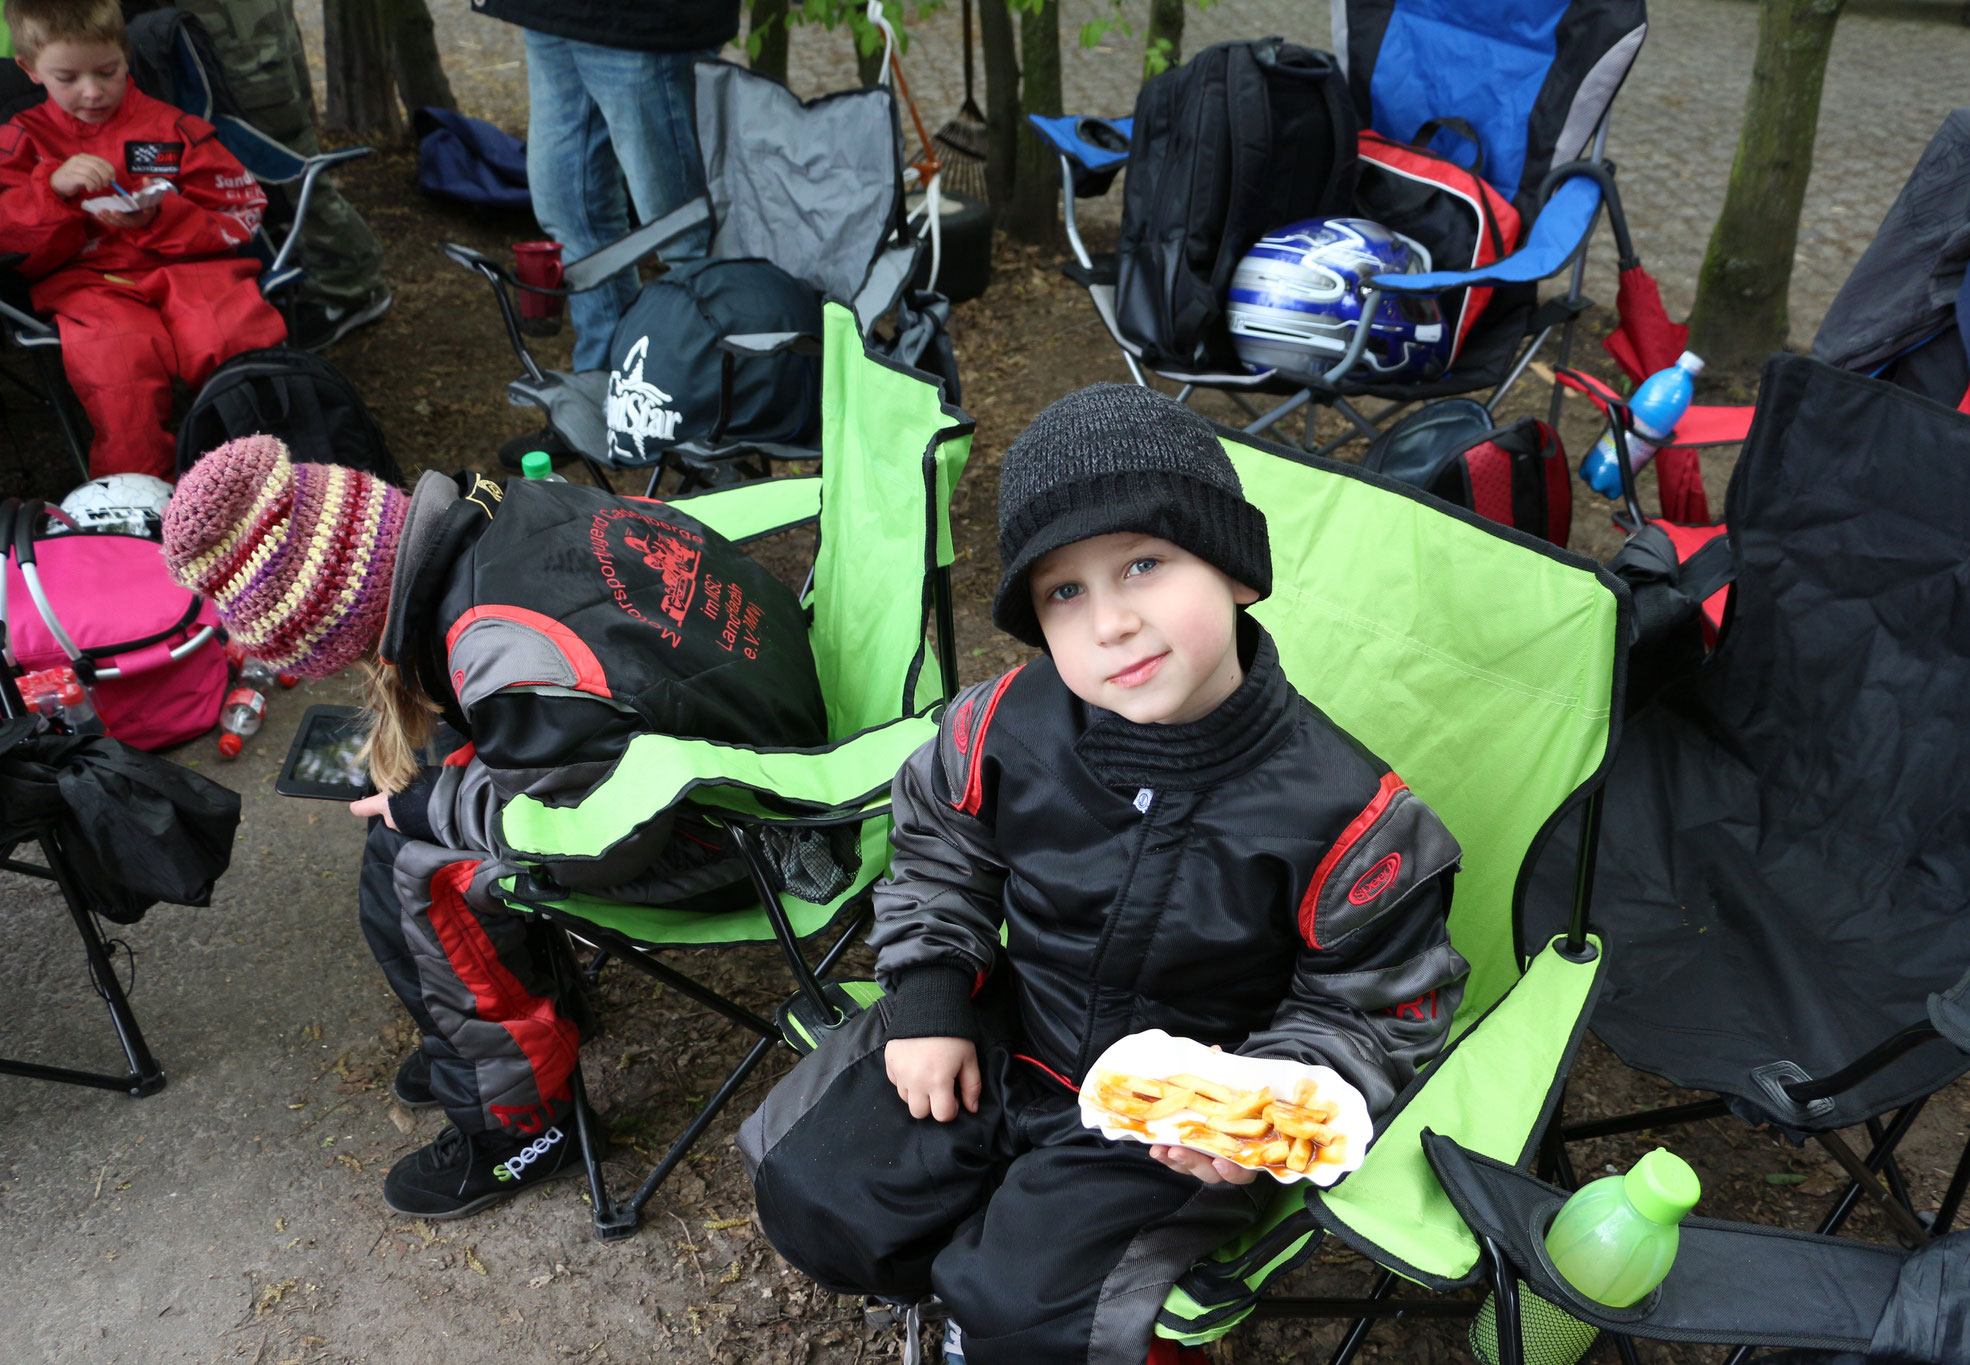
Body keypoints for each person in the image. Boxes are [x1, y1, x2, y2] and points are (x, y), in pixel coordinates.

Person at [740, 384, 1472, 1363]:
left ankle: (991, 1317)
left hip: (1176, 1103)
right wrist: (925, 998)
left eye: (1142, 563)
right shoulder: (1001, 721)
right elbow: (936, 844)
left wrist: (1260, 1105)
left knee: (1027, 1302)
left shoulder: (1349, 817)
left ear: (1234, 571)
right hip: (1018, 1027)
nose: (1111, 621)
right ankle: (959, 1259)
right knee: (821, 1187)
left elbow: (1377, 1009)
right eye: (1063, 591)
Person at [160, 436, 830, 1219]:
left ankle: (521, 1129)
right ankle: (503, 1033)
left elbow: (596, 832)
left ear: (334, 619)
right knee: (440, 765)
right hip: (760, 718)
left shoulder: (499, 655)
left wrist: (425, 808)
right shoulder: (510, 506)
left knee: (412, 865)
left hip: (743, 827)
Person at [0, 0, 283, 480]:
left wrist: (163, 216)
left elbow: (240, 212)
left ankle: (257, 476)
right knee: (120, 375)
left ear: (125, 56)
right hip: (90, 283)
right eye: (67, 78)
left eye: (107, 71)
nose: (92, 92)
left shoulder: (170, 129)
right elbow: (12, 248)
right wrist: (50, 192)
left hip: (191, 269)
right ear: (29, 70)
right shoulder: (22, 140)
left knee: (230, 338)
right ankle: (139, 503)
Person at [473, 0, 735, 374]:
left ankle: (724, 398)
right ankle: (610, 387)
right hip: (548, 16)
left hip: (643, 22)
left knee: (683, 235)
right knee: (570, 215)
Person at [172, 0, 391, 351]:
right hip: (223, 24)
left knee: (285, 159)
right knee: (264, 150)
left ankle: (351, 287)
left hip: (232, 22)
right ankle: (300, 265)